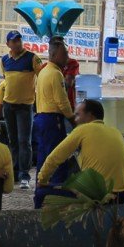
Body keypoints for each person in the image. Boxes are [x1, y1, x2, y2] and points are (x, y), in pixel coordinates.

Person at [37, 99, 124, 206]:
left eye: (78, 115)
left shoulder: (82, 130)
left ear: (90, 116)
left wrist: (42, 180)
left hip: (95, 196)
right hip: (121, 194)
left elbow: (54, 158)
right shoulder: (116, 132)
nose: (75, 119)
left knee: (41, 193)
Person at [33, 38, 75, 208]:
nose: (67, 57)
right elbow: (62, 101)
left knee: (44, 159)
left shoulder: (44, 71)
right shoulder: (56, 73)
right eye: (64, 53)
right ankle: (54, 197)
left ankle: (40, 196)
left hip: (42, 118)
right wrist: (73, 119)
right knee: (57, 158)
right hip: (52, 120)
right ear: (55, 54)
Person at [0, 30, 43, 190]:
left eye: (19, 40)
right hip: (8, 105)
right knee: (12, 141)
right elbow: (6, 79)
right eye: (13, 41)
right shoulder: (5, 60)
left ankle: (24, 175)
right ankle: (14, 172)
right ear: (8, 44)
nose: (17, 43)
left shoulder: (32, 57)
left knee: (24, 141)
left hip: (25, 107)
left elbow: (42, 75)